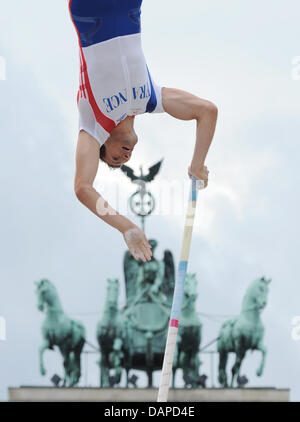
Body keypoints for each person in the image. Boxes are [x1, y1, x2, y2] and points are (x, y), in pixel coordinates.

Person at [68, 0, 218, 263]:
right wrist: (197, 164)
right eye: (123, 161)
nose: (125, 158)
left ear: (103, 143)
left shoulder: (93, 123)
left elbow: (82, 188)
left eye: (114, 158)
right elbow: (207, 111)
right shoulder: (150, 99)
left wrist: (125, 226)